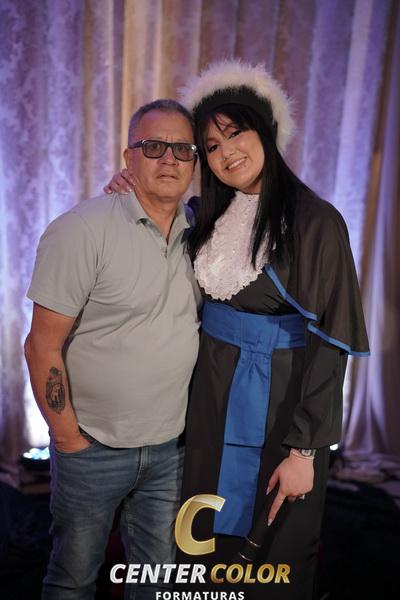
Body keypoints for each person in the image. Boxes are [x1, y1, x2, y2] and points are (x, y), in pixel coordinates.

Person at [106, 60, 369, 599]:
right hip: (208, 400)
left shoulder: (315, 221)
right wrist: (126, 189)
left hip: (279, 403)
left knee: (271, 555)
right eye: (211, 145)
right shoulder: (207, 214)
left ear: (266, 130)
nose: (226, 153)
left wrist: (305, 451)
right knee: (201, 543)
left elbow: (330, 342)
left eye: (236, 133)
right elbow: (152, 236)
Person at [24, 99, 201, 600]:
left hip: (170, 449)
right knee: (73, 579)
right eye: (154, 146)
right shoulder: (82, 229)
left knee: (154, 582)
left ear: (194, 162)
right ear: (129, 157)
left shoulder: (201, 233)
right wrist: (68, 440)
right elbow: (40, 346)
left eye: (182, 149)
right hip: (93, 447)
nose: (169, 159)